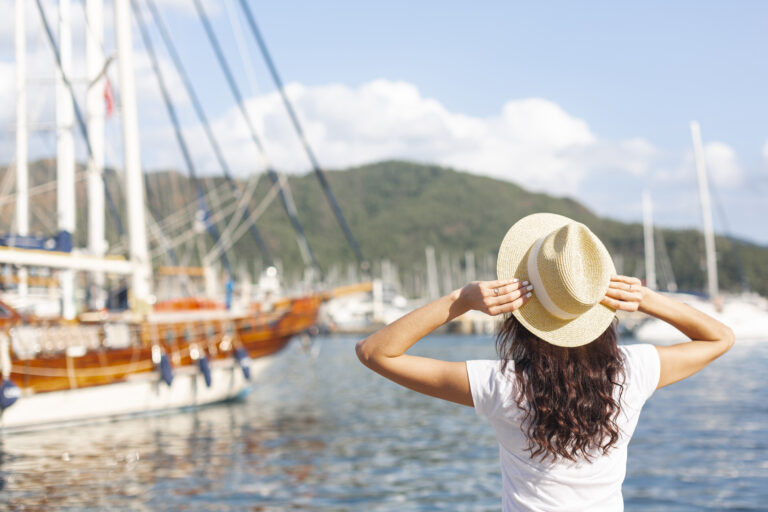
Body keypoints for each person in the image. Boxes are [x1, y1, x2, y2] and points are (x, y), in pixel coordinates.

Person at [356, 212, 734, 511]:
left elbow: (374, 352)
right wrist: (647, 299)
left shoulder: (503, 385)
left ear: (522, 311)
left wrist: (461, 300)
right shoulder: (632, 372)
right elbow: (720, 338)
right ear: (596, 305)